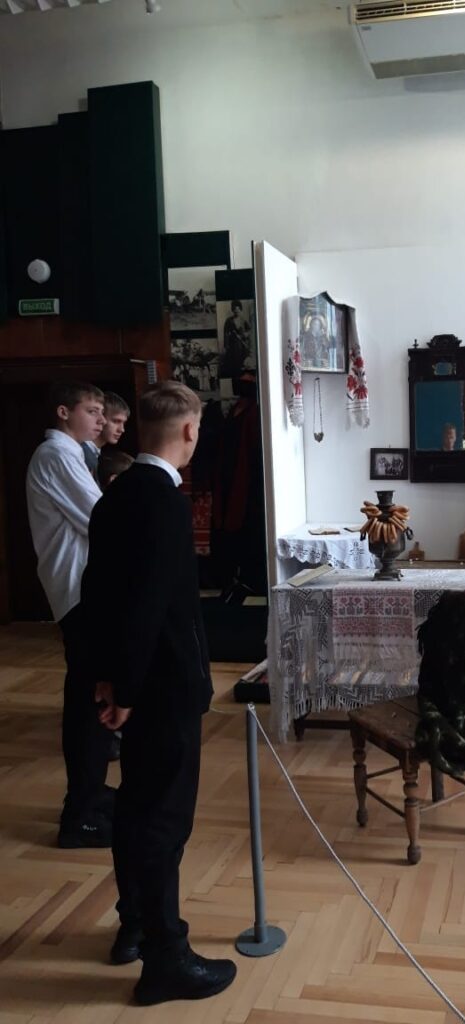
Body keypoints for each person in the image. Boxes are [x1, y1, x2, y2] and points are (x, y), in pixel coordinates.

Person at [80, 381, 237, 1005]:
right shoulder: (167, 503)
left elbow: (98, 595)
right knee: (164, 821)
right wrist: (129, 686)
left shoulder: (115, 495)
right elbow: (148, 607)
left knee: (135, 810)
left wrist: (108, 677)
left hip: (134, 682)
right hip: (162, 688)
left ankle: (135, 928)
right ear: (190, 430)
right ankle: (166, 956)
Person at [26, 380, 114, 848]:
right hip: (79, 592)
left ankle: (90, 795)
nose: (101, 420)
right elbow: (100, 518)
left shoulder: (71, 455)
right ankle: (80, 814)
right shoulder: (57, 455)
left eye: (102, 412)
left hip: (84, 590)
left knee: (92, 699)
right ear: (64, 412)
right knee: (87, 704)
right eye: (92, 411)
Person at [82, 392, 131, 477]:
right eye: (116, 421)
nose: (122, 429)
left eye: (123, 423)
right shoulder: (82, 453)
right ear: (100, 418)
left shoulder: (93, 453)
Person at [219, 300, 252, 380]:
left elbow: (250, 330)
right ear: (232, 310)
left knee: (242, 363)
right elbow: (226, 334)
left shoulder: (243, 320)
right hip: (232, 345)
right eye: (234, 310)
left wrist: (245, 334)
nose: (236, 311)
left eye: (238, 309)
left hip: (242, 345)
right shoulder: (229, 320)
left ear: (240, 309)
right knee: (232, 363)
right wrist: (226, 346)